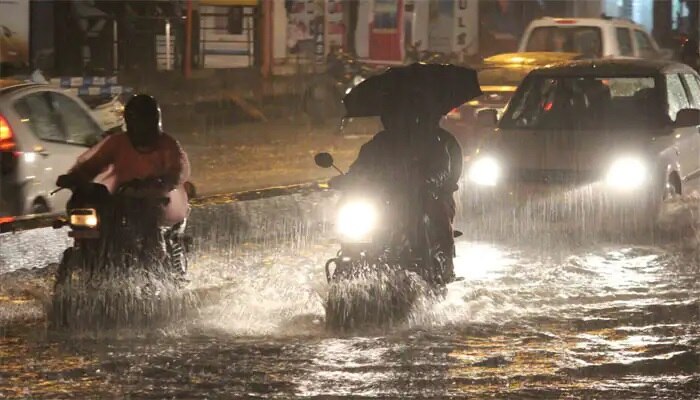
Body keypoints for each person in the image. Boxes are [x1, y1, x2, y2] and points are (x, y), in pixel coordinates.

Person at [331, 96, 456, 284]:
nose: (395, 120)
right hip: (382, 201)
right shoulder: (376, 144)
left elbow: (442, 169)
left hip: (419, 197)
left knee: (435, 208)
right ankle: (347, 266)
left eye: (401, 116)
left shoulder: (432, 143)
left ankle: (443, 262)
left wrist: (428, 182)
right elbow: (359, 168)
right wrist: (346, 179)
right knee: (348, 211)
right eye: (391, 116)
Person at [58, 94, 190, 229]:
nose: (141, 127)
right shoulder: (118, 142)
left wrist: (160, 183)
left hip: (155, 202)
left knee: (152, 222)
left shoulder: (167, 145)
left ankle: (155, 246)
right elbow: (94, 164)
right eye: (137, 122)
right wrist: (76, 177)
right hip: (120, 202)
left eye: (145, 121)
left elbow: (177, 170)